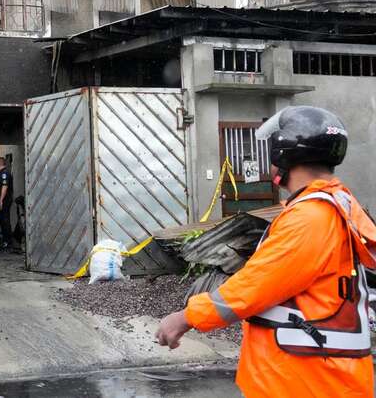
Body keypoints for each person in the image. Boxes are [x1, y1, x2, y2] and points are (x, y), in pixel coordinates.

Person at [156, 106, 376, 398]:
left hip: (304, 381)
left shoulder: (311, 218)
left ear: (282, 155)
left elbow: (255, 286)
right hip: (315, 374)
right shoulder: (336, 204)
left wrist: (185, 317)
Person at [0, 158, 14, 251]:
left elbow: (4, 187)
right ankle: (6, 239)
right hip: (4, 200)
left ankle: (8, 241)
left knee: (5, 220)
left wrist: (1, 200)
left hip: (5, 200)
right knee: (3, 220)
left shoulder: (4, 173)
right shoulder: (2, 172)